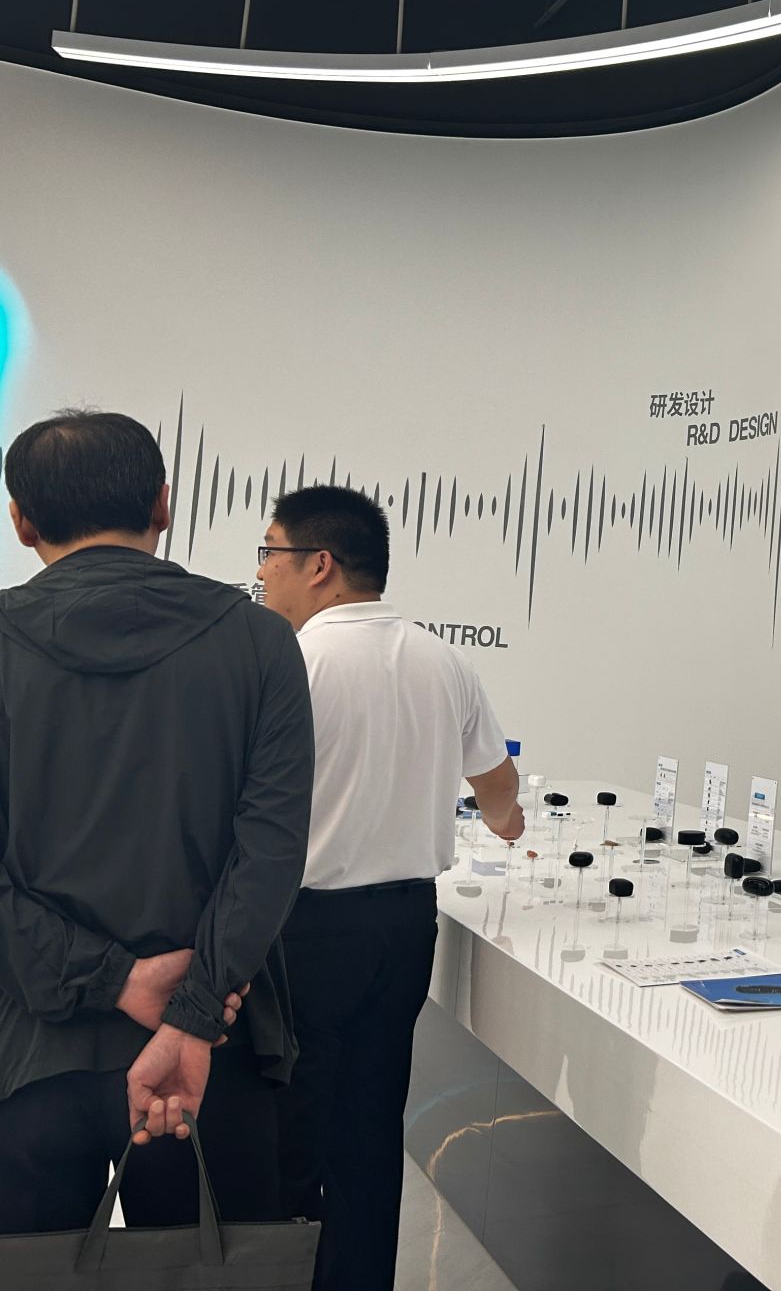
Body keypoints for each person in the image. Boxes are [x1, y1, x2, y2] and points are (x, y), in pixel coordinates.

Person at [0, 409, 313, 1232]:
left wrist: (111, 981)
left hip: (25, 1055)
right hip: (209, 1057)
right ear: (164, 505)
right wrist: (192, 1012)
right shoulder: (261, 642)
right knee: (209, 1274)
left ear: (21, 520)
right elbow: (270, 855)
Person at [257, 484, 522, 1291]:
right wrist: (505, 824)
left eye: (269, 553)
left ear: (319, 564)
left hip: (302, 931)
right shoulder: (443, 658)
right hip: (406, 927)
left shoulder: (290, 662)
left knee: (288, 1136)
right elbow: (498, 788)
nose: (261, 572)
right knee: (371, 1130)